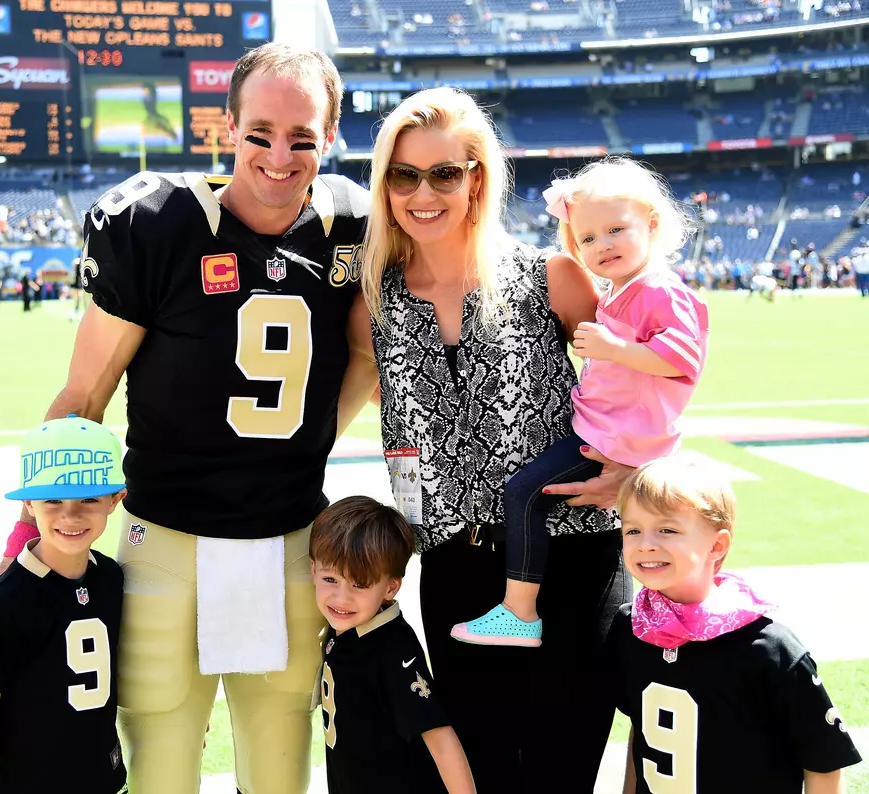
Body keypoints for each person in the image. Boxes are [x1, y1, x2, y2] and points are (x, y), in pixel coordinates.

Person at [0, 43, 372, 794]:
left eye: (303, 138)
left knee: (280, 759)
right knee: (161, 761)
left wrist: (305, 447)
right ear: (227, 127)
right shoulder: (157, 223)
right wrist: (23, 545)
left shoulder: (350, 225)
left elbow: (364, 360)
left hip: (288, 540)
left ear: (332, 138)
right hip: (167, 541)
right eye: (260, 132)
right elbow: (83, 400)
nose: (280, 154)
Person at [346, 86, 632, 793]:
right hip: (456, 571)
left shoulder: (551, 279)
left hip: (572, 556)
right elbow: (356, 411)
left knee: (560, 771)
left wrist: (630, 467)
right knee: (481, 775)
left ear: (476, 178)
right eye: (404, 175)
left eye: (444, 172)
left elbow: (642, 388)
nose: (424, 193)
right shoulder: (372, 303)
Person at [452, 158, 706, 648]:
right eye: (587, 239)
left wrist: (613, 349)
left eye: (616, 229)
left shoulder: (658, 290)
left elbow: (683, 359)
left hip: (614, 441)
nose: (602, 245)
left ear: (652, 224)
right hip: (605, 432)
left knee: (524, 494)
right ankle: (667, 619)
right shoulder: (623, 291)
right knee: (647, 530)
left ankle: (519, 610)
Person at [605, 455, 862, 793]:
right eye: (633, 530)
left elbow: (824, 764)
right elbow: (644, 731)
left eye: (667, 529)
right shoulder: (632, 627)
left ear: (717, 545)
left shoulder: (769, 649)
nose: (646, 543)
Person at [0, 415, 128, 794]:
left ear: (116, 499)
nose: (70, 514)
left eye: (88, 498)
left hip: (103, 781)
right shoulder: (2, 602)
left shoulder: (111, 578)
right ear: (29, 505)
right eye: (52, 499)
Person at [309, 496, 475, 794]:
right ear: (313, 571)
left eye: (359, 584)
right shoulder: (340, 627)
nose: (341, 598)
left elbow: (439, 736)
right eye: (330, 579)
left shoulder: (394, 650)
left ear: (390, 587)